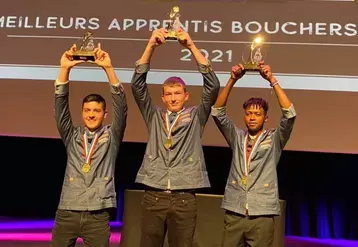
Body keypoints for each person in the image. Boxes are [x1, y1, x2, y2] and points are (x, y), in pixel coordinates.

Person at [130, 28, 220, 247]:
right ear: (162, 97)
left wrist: (190, 45)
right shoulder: (153, 115)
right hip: (154, 195)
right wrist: (151, 45)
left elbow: (213, 86)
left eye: (177, 93)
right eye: (168, 94)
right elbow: (137, 86)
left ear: (186, 95)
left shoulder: (196, 115)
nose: (173, 98)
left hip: (184, 197)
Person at [211, 63, 296, 247]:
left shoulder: (274, 139)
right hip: (235, 210)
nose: (252, 117)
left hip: (262, 214)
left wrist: (272, 80)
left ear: (265, 118)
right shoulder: (236, 136)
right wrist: (233, 79)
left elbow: (289, 115)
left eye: (257, 114)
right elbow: (217, 113)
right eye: (249, 113)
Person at [51, 43, 127, 247]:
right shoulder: (72, 134)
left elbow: (121, 107)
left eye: (96, 110)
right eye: (87, 110)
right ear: (82, 112)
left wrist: (108, 69)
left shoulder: (112, 135)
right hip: (67, 210)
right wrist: (65, 69)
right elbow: (60, 108)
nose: (91, 114)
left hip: (97, 214)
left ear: (104, 114)